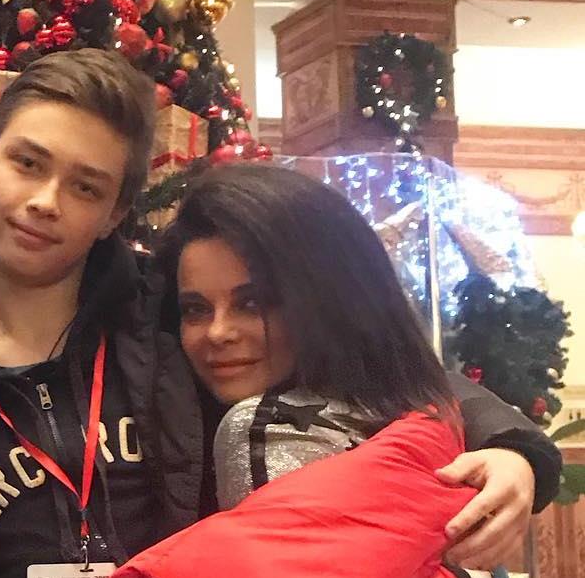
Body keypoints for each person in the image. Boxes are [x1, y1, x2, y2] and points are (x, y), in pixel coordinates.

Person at [0, 48, 562, 578]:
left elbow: (378, 364)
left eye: (85, 186)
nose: (46, 201)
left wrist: (513, 450)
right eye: (28, 163)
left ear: (116, 213)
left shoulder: (169, 317)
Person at [114, 164, 516, 578]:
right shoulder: (425, 420)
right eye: (195, 309)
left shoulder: (259, 429)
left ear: (328, 301)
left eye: (252, 303)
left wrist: (514, 449)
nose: (218, 332)